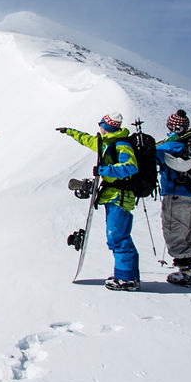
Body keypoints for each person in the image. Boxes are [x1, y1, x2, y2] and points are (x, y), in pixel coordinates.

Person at [57, 113, 141, 290]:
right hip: (112, 196)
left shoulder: (121, 144)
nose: (99, 127)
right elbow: (87, 140)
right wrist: (69, 131)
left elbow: (130, 167)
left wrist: (104, 170)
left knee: (118, 237)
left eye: (101, 124)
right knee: (117, 237)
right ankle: (126, 276)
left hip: (120, 196)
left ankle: (127, 279)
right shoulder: (106, 142)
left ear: (107, 126)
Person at [154, 110, 191, 288]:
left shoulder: (170, 147)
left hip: (176, 196)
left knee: (175, 236)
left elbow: (152, 156)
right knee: (190, 236)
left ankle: (188, 274)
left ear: (170, 126)